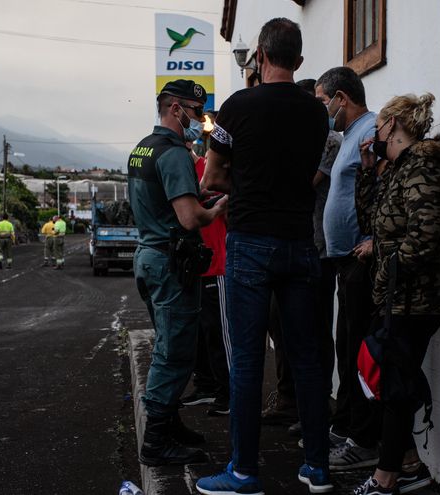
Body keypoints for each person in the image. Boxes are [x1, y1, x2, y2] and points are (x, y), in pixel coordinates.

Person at [196, 18, 333, 494]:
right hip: (299, 242)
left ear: (259, 56)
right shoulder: (318, 114)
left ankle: (243, 472)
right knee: (308, 359)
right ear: (297, 61)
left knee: (249, 361)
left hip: (251, 242)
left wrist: (247, 185)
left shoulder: (237, 108)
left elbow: (211, 180)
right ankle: (317, 466)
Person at [351, 93, 440, 495]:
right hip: (400, 296)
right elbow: (373, 223)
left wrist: (385, 277)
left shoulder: (424, 168)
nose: (375, 134)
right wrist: (367, 172)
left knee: (394, 384)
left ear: (393, 125)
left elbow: (424, 237)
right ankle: (411, 464)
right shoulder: (397, 168)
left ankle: (386, 479)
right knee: (388, 377)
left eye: (379, 126)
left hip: (419, 298)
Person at [129, 79, 227, 467]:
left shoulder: (143, 148)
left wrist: (198, 198)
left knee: (169, 345)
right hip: (171, 263)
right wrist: (217, 209)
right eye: (195, 112)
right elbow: (189, 219)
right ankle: (156, 440)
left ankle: (169, 424)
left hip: (149, 256)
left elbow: (163, 199)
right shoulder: (173, 154)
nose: (198, 121)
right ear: (175, 109)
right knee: (174, 353)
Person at [262, 79, 343, 433]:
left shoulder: (330, 140)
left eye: (321, 102)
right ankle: (289, 398)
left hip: (318, 248)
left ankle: (317, 406)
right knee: (279, 322)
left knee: (315, 330)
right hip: (296, 242)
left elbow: (303, 182)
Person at [315, 66, 381, 471]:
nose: (324, 109)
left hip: (361, 260)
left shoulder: (370, 130)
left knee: (359, 349)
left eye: (324, 102)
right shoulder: (345, 137)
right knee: (346, 345)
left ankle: (365, 441)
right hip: (344, 260)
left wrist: (371, 238)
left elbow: (383, 188)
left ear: (342, 98)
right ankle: (346, 425)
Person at [180, 113, 231, 418]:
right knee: (200, 331)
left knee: (218, 332)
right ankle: (208, 385)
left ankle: (227, 392)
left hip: (217, 261)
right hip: (196, 264)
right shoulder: (182, 175)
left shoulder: (207, 172)